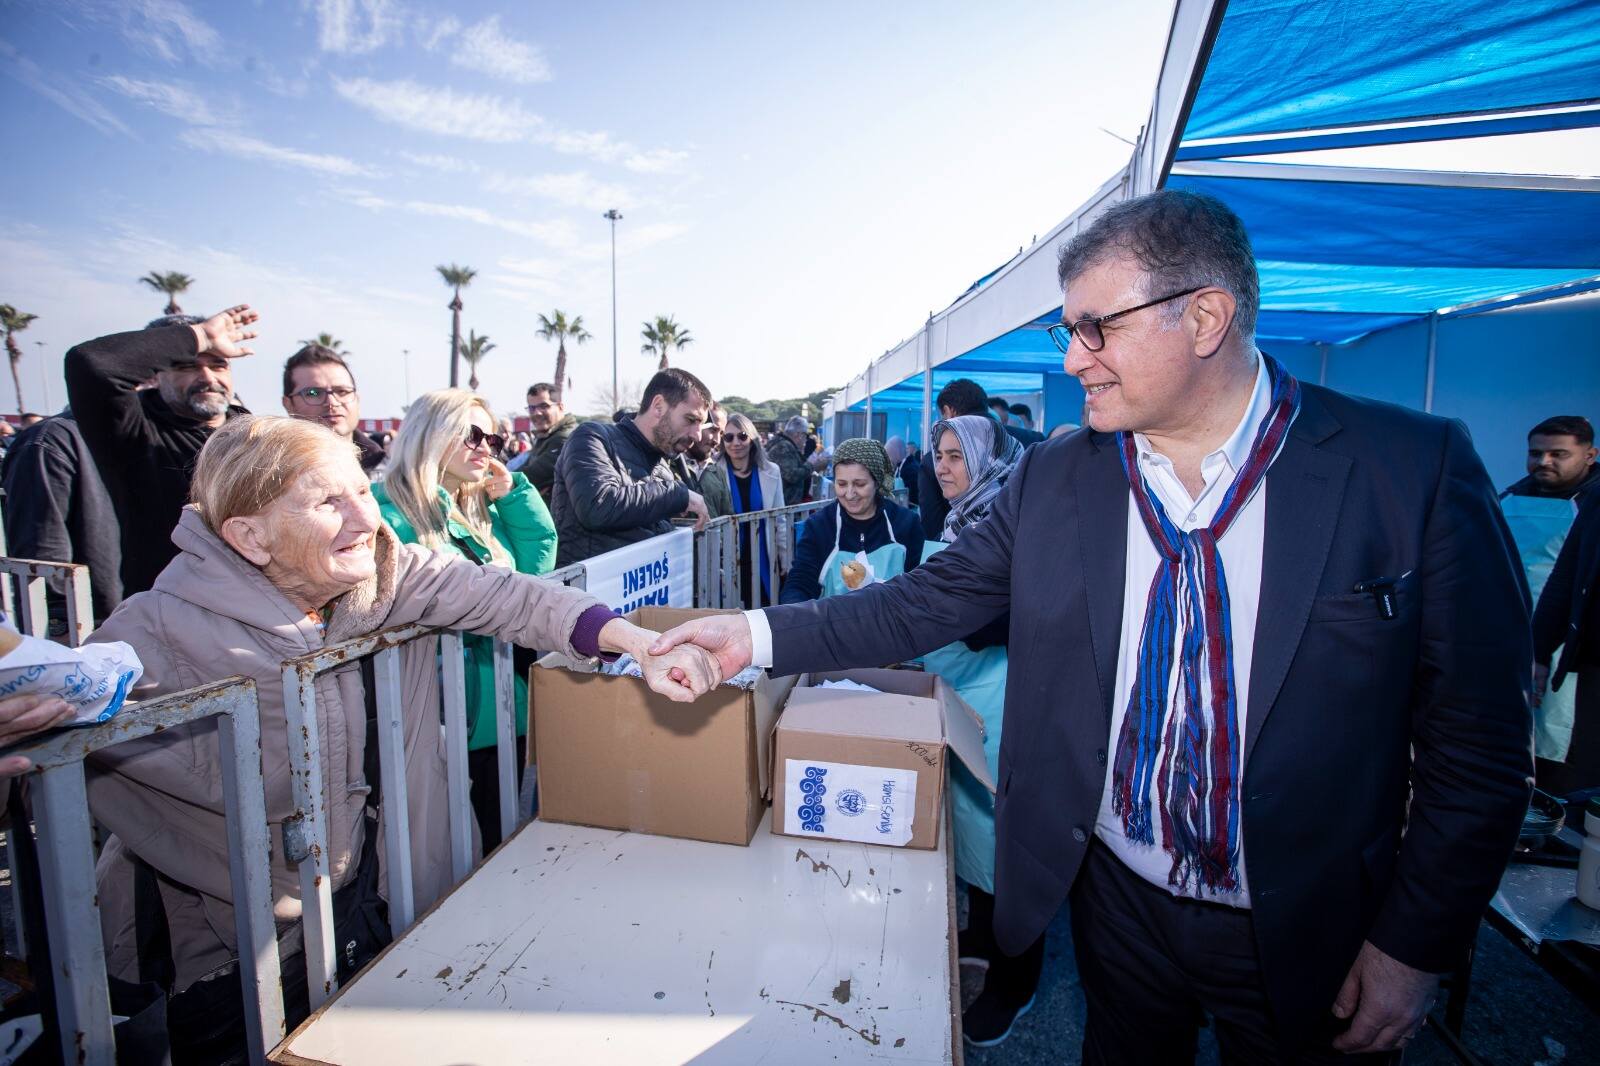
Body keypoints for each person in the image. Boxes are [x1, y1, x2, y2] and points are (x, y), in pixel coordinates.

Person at [652, 189, 1532, 1062]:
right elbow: (918, 602)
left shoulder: (1408, 472)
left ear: (1206, 318)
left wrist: (1414, 943)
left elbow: (1478, 746)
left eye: (1097, 329)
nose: (1075, 360)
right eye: (1066, 332)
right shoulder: (1060, 476)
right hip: (1118, 908)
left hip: (1313, 926)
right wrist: (751, 637)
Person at [84, 415, 717, 1057]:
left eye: (362, 489)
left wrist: (634, 642)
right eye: (327, 502)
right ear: (249, 536)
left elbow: (517, 599)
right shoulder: (144, 640)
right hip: (238, 951)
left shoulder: (390, 571)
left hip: (384, 900)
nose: (365, 519)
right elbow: (44, 755)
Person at [373, 389, 557, 851]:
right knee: (445, 854)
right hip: (433, 713)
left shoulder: (478, 507)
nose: (485, 447)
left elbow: (534, 572)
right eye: (471, 434)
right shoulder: (388, 510)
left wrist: (515, 495)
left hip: (496, 704)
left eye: (492, 438)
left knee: (498, 840)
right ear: (430, 434)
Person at [922, 413, 1041, 1045]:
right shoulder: (959, 519)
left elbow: (991, 622)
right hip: (965, 695)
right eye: (937, 455)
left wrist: (941, 609)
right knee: (973, 823)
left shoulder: (1014, 523)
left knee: (1011, 837)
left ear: (986, 459)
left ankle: (1015, 983)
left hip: (1005, 700)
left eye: (954, 455)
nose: (942, 466)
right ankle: (985, 932)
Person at [64, 306, 253, 596]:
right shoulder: (134, 433)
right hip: (171, 618)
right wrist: (201, 335)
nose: (206, 376)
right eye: (186, 365)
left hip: (261, 616)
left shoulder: (255, 434)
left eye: (218, 365)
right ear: (154, 375)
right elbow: (91, 364)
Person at [1501, 416, 1598, 787]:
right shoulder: (1506, 496)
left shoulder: (1593, 503)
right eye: (1536, 453)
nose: (1544, 462)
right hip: (1507, 629)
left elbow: (1566, 584)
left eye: (1558, 454)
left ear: (1590, 455)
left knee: (1560, 736)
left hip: (1569, 639)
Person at [551, 369, 711, 567]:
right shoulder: (592, 438)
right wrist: (678, 495)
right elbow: (598, 507)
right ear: (658, 406)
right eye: (691, 420)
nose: (697, 435)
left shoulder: (662, 465)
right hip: (589, 591)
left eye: (700, 424)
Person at [1, 408, 124, 625]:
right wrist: (62, 629)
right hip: (101, 633)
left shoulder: (170, 435)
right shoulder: (50, 441)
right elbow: (43, 563)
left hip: (167, 624)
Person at [779, 438, 922, 603]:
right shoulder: (819, 526)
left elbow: (920, 585)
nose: (849, 494)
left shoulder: (906, 523)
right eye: (841, 484)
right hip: (832, 625)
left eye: (859, 484)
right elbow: (800, 582)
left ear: (877, 482)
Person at [1533, 496, 1600, 796]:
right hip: (1595, 669)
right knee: (1590, 784)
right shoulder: (1597, 500)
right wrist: (1538, 653)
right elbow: (1563, 580)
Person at [701, 411, 789, 607]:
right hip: (728, 556)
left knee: (765, 607)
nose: (736, 443)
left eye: (742, 436)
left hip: (764, 554)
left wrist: (785, 557)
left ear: (753, 439)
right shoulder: (712, 471)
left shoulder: (771, 471)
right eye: (729, 437)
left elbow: (780, 519)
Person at [281, 343, 385, 475]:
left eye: (342, 391)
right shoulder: (271, 474)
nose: (332, 402)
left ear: (357, 399)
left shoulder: (390, 471)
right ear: (288, 404)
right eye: (313, 393)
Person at [919, 379, 991, 540]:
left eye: (955, 457)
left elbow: (932, 528)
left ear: (948, 412)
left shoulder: (934, 460)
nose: (941, 468)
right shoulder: (1032, 441)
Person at [509, 382, 579, 502]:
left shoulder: (567, 438)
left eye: (544, 406)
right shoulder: (545, 436)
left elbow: (532, 475)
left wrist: (499, 480)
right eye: (532, 408)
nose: (537, 413)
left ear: (560, 407)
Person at [767, 416, 812, 505]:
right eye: (805, 435)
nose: (805, 439)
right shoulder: (783, 446)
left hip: (785, 505)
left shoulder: (782, 444)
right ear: (798, 435)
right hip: (786, 507)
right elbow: (791, 475)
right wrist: (812, 465)